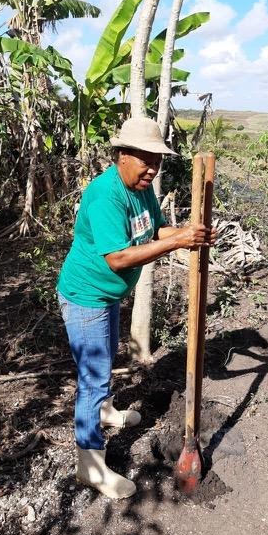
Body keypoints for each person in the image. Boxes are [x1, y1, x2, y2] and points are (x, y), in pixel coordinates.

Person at [56, 117, 216, 499]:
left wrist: (182, 233)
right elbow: (118, 258)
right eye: (144, 159)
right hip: (86, 295)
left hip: (107, 295)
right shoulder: (105, 195)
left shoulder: (141, 190)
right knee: (92, 378)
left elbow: (153, 230)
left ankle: (106, 411)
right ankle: (89, 467)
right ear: (122, 155)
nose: (152, 168)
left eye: (157, 161)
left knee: (106, 358)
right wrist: (179, 243)